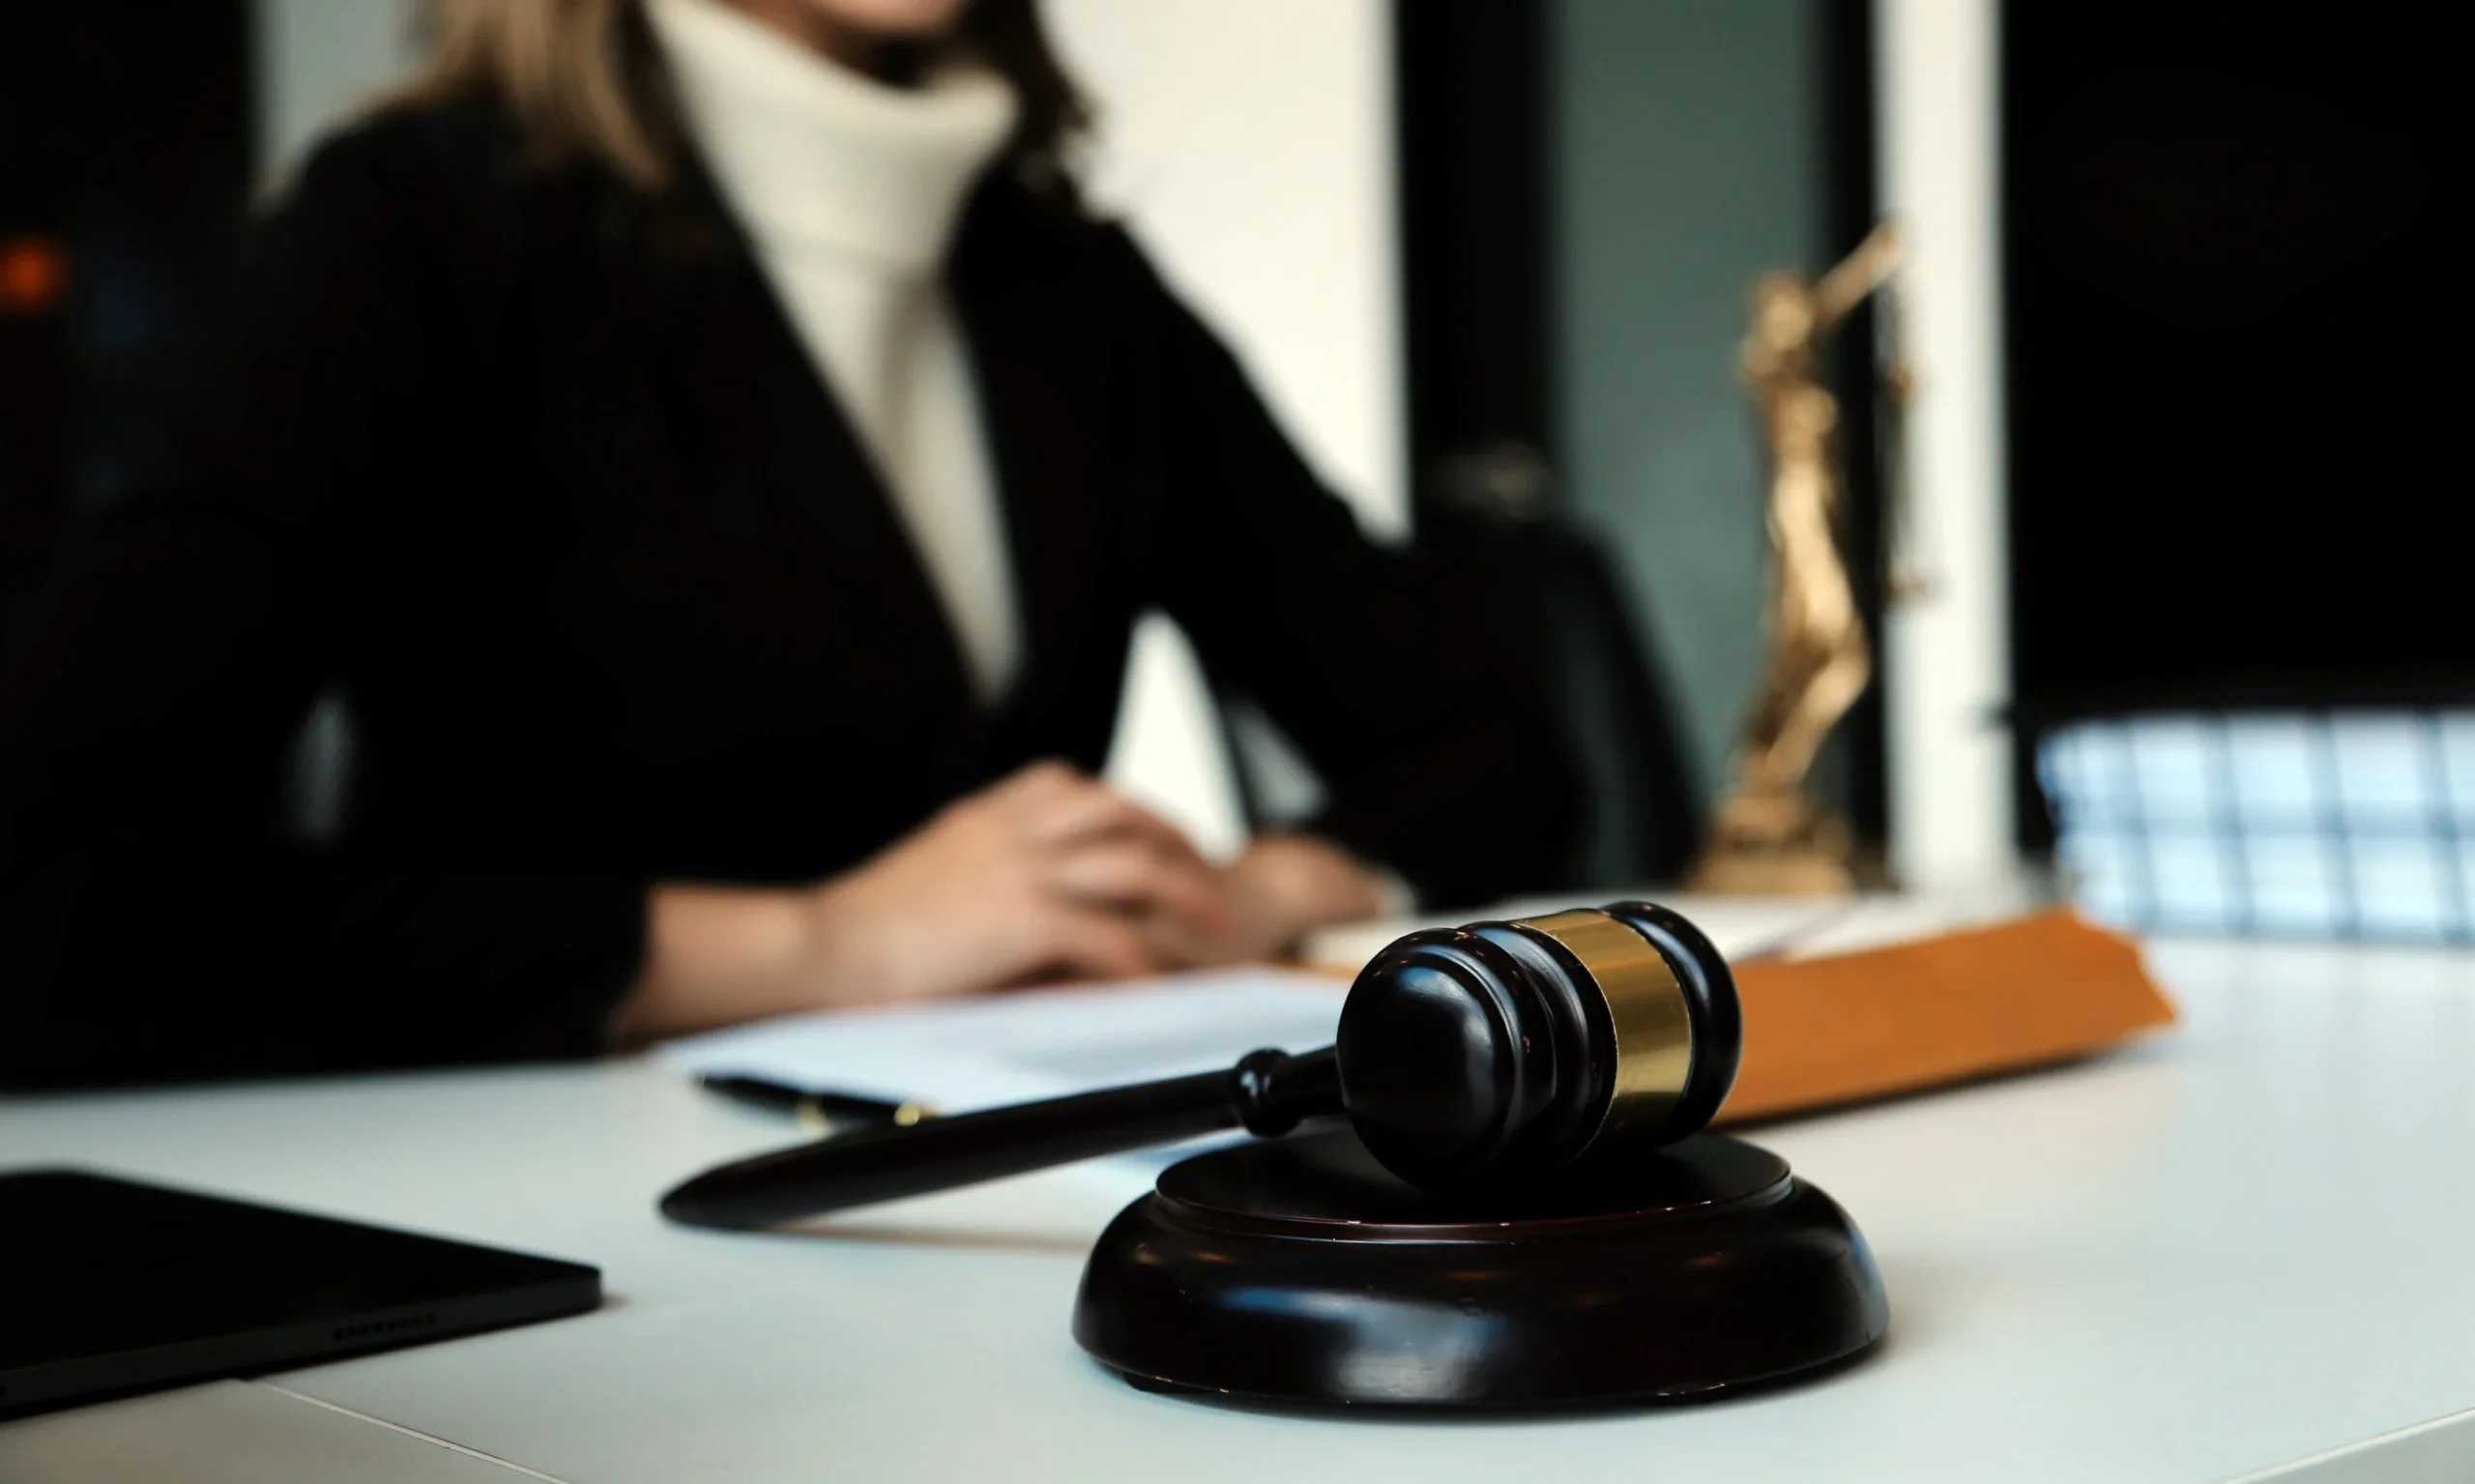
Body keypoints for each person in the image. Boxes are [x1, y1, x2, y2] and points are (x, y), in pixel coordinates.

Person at [0, 0, 1580, 1089]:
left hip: (1012, 1203)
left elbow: (1500, 744)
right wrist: (814, 944)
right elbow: (59, 884)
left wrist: (1258, 891)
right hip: (551, 1253)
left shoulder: (1067, 288)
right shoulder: (414, 229)